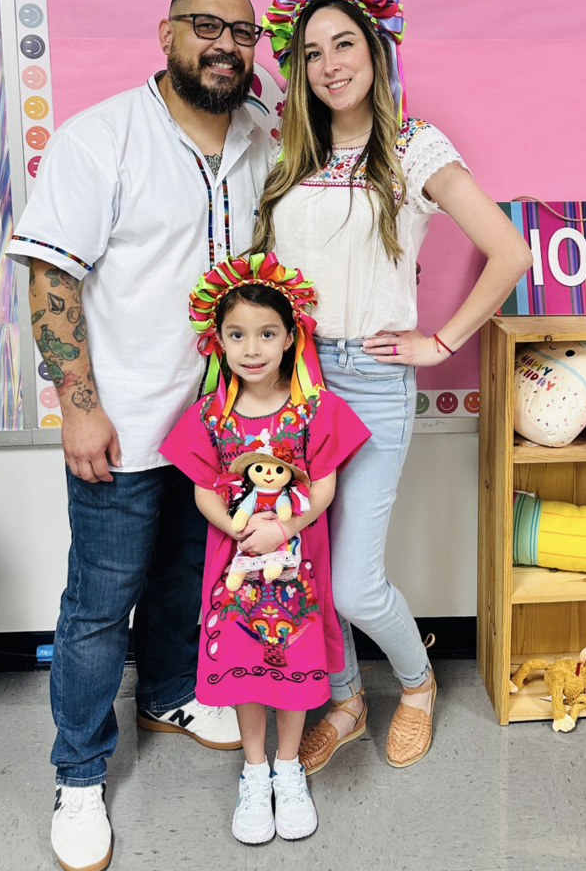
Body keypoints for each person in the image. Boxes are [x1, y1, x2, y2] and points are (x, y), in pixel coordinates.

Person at [7, 0, 274, 871]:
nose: (226, 45)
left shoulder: (260, 137)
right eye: (207, 27)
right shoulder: (101, 139)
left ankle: (165, 694)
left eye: (244, 33)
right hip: (120, 426)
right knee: (96, 607)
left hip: (218, 432)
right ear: (165, 36)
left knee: (183, 583)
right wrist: (77, 410)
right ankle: (79, 779)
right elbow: (52, 279)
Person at [254, 0, 533, 773]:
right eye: (311, 52)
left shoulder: (413, 144)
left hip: (372, 381)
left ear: (376, 53)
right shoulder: (288, 151)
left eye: (345, 44)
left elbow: (508, 251)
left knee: (351, 582)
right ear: (298, 67)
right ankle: (344, 700)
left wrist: (440, 341)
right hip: (297, 383)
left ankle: (415, 684)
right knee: (306, 563)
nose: (329, 63)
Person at [161, 253, 370, 844]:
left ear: (289, 337)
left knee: (295, 668)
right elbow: (204, 491)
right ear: (218, 340)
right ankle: (254, 770)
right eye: (237, 335)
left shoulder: (315, 410)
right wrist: (234, 528)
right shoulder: (210, 415)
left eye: (267, 333)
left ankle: (287, 767)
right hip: (233, 582)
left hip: (296, 579)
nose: (251, 348)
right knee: (244, 670)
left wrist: (285, 526)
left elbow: (324, 485)